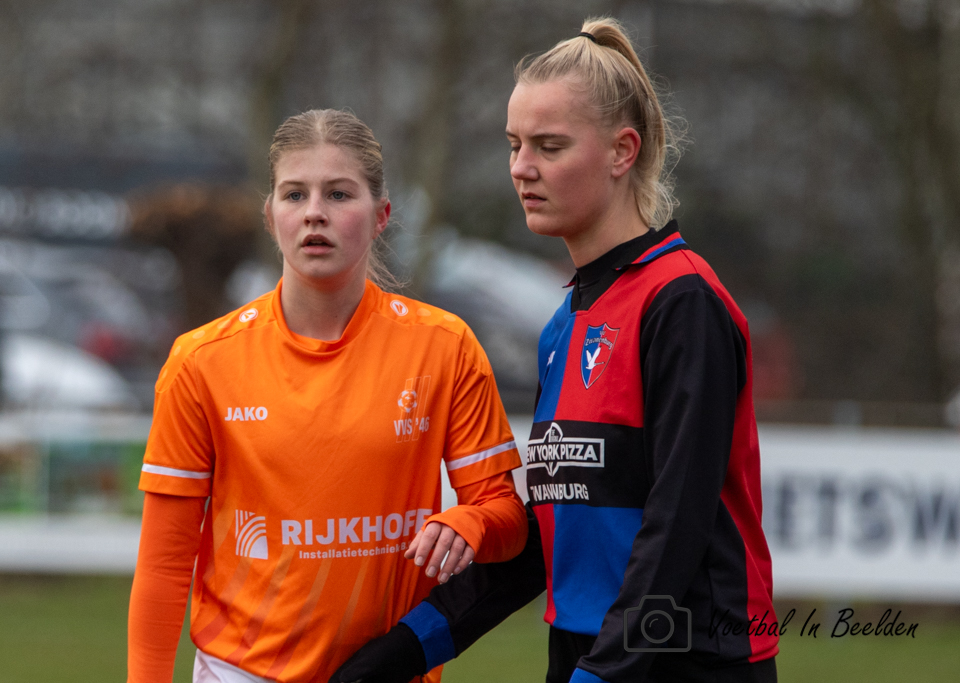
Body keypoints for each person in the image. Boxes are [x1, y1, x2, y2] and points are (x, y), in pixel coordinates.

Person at [331, 16, 779, 683]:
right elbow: (547, 533)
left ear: (622, 151)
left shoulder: (682, 302)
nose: (521, 168)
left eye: (549, 146)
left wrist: (602, 673)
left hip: (682, 661)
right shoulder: (563, 323)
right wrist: (394, 655)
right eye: (514, 145)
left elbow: (676, 529)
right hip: (588, 653)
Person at [126, 109, 528, 683]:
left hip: (388, 671)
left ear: (382, 215)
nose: (315, 212)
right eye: (295, 194)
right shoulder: (201, 361)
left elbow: (507, 518)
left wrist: (472, 522)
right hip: (241, 672)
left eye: (339, 194)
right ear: (271, 216)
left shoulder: (444, 347)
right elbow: (165, 565)